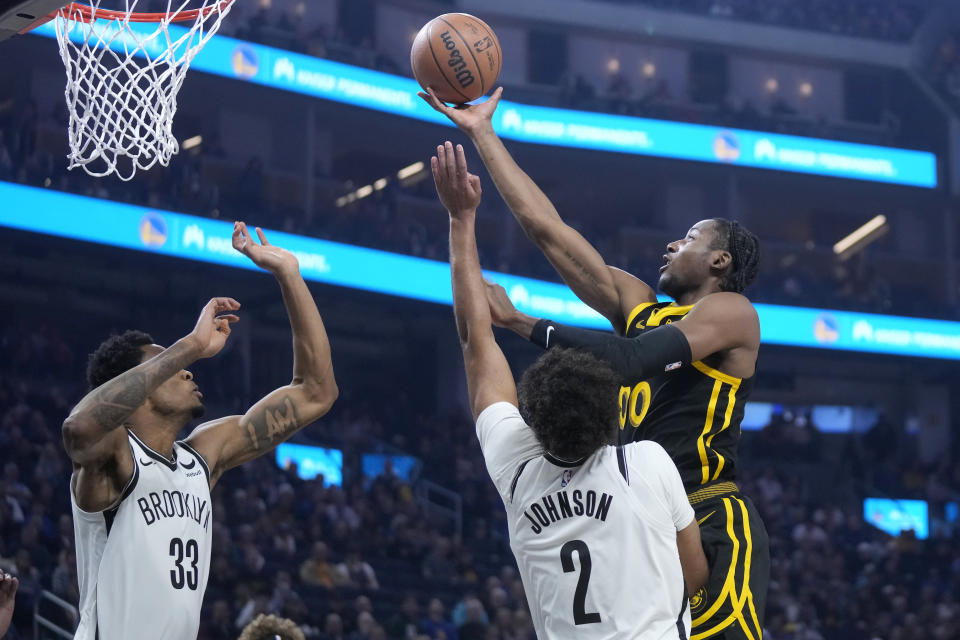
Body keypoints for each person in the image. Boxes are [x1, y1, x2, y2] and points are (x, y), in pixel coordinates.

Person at [422, 87, 768, 640]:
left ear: (719, 260)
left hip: (704, 513)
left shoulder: (730, 313)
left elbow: (632, 363)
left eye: (689, 239)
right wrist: (483, 134)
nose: (671, 246)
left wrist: (523, 324)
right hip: (631, 509)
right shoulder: (638, 307)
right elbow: (549, 232)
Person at [62, 222, 339, 640]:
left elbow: (316, 393)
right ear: (140, 386)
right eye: (169, 365)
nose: (186, 369)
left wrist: (289, 276)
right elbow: (77, 429)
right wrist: (188, 344)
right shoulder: (113, 457)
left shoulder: (202, 457)